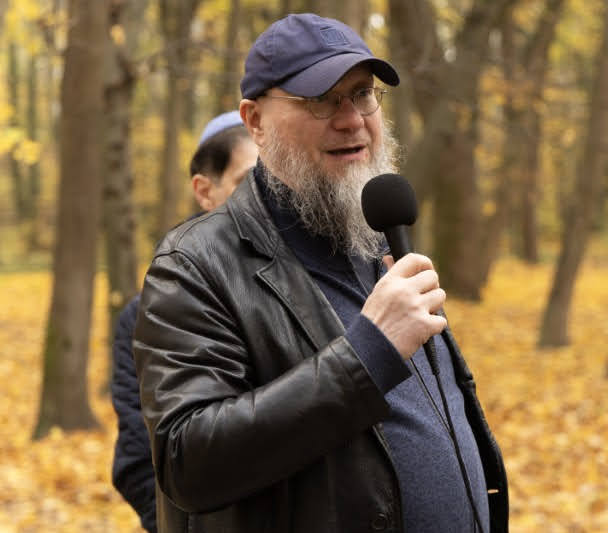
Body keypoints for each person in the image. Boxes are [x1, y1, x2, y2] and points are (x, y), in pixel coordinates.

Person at [133, 13, 508, 533]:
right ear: (255, 120)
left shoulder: (376, 235)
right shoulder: (195, 264)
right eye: (321, 99)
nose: (351, 119)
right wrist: (367, 354)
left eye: (362, 93)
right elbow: (186, 461)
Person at [110, 111, 258, 533]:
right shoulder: (149, 311)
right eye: (248, 181)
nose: (267, 196)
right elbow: (139, 460)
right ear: (204, 191)